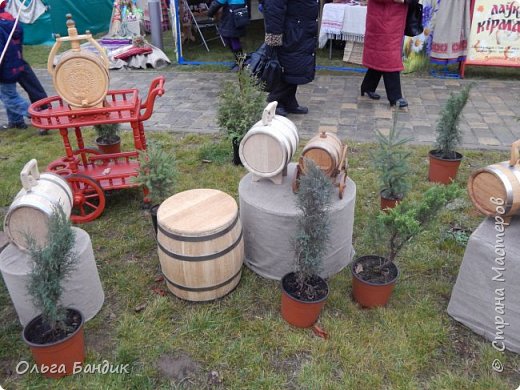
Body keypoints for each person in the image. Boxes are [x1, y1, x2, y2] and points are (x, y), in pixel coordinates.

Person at [263, 0, 318, 117]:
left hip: (300, 29)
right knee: (286, 66)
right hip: (290, 31)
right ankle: (275, 100)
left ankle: (289, 101)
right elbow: (274, 8)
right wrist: (274, 36)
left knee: (295, 67)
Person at [0, 1, 49, 134]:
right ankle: (16, 121)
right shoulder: (10, 21)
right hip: (15, 62)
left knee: (9, 97)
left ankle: (39, 118)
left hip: (5, 67)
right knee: (9, 93)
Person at [360, 0, 418, 108]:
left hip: (393, 18)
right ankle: (395, 97)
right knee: (389, 58)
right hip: (383, 20)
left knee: (381, 56)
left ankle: (367, 86)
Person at [207, 0, 248, 70]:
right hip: (239, 14)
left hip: (232, 16)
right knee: (231, 38)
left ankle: (240, 63)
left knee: (232, 39)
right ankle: (239, 62)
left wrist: (210, 13)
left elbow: (217, 3)